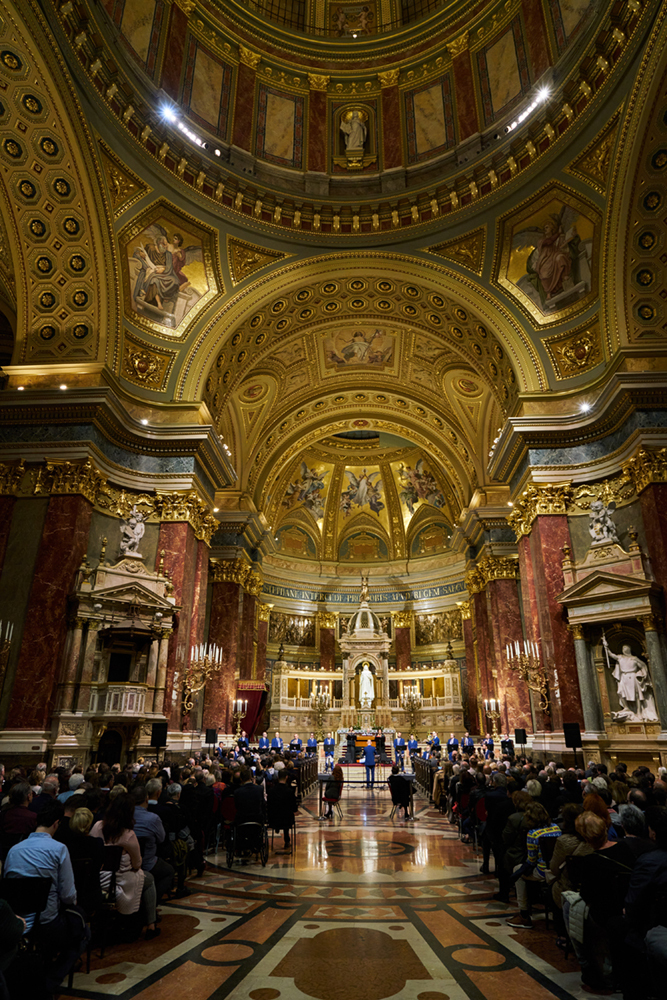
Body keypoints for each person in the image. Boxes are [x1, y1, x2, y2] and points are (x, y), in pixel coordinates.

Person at [4, 801, 88, 990]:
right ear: (56, 823)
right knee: (82, 932)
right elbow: (68, 896)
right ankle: (51, 980)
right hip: (47, 922)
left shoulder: (14, 850)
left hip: (18, 920)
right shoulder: (58, 849)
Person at [133, 785, 174, 902]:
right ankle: (152, 902)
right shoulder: (152, 818)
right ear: (146, 799)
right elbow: (161, 839)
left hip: (128, 861)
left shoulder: (124, 816)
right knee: (169, 871)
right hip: (147, 862)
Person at [602, 637, 658, 720]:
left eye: (625, 648)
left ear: (629, 649)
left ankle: (639, 711)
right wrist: (606, 646)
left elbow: (643, 666)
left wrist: (642, 674)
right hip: (623, 677)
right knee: (620, 692)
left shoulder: (634, 658)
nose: (624, 650)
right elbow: (610, 654)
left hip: (632, 677)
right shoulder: (620, 657)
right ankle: (626, 707)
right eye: (623, 648)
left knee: (636, 695)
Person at [268, 769, 297, 854]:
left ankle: (278, 829)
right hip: (287, 819)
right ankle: (287, 840)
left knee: (281, 813)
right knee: (286, 814)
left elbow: (269, 805)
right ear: (286, 777)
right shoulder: (290, 791)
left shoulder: (271, 791)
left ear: (277, 777)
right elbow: (294, 808)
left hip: (273, 818)